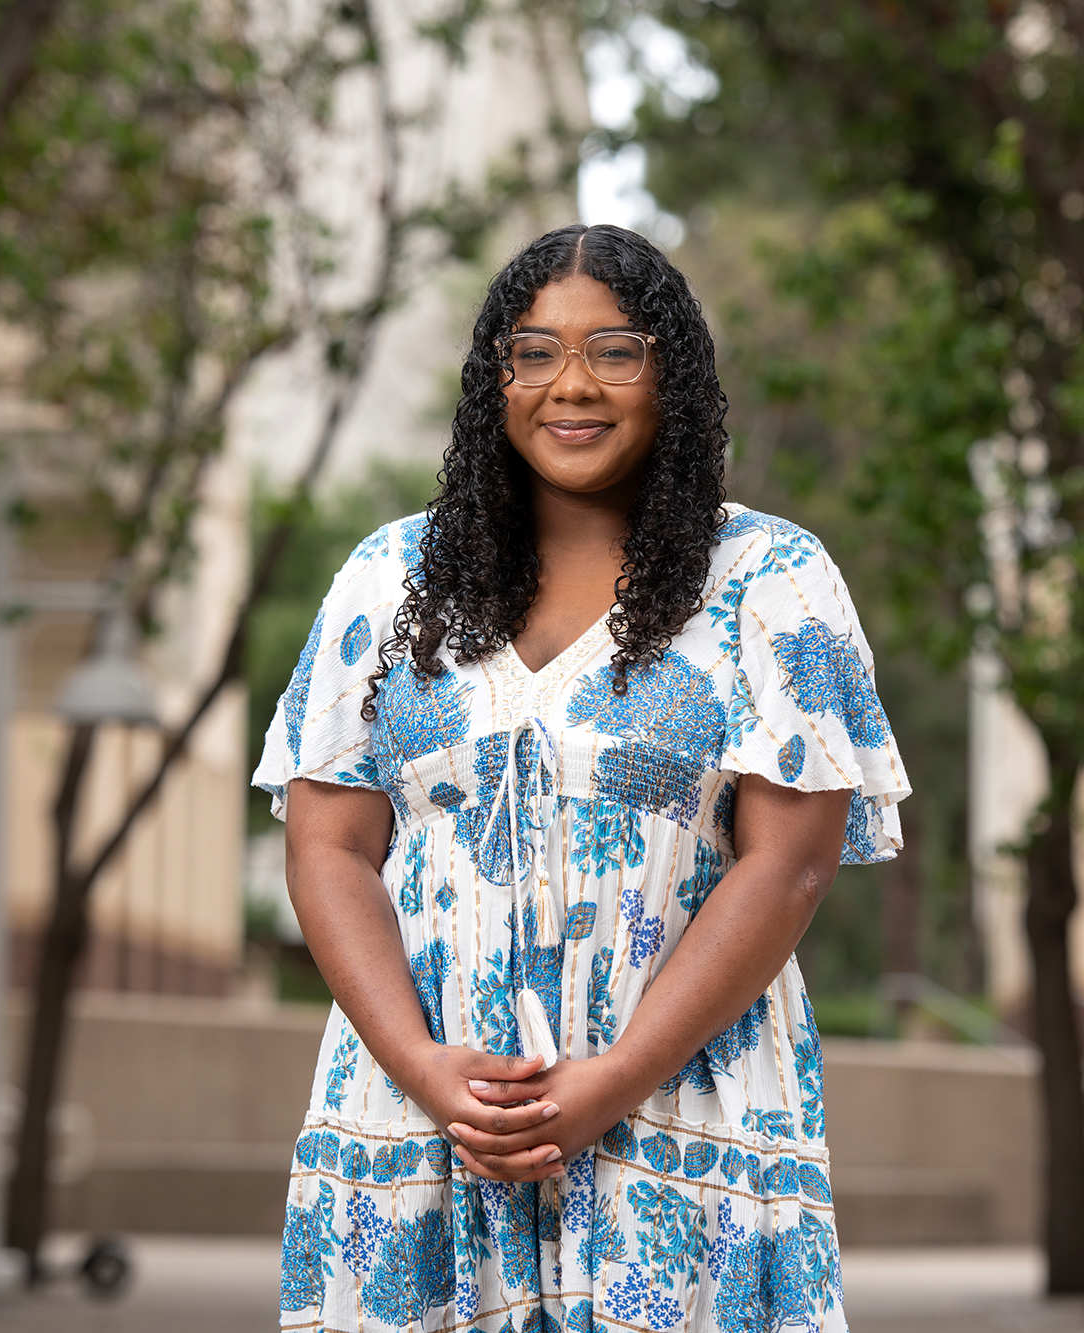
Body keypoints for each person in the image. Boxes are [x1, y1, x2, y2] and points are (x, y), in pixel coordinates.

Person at [253, 223, 909, 1333]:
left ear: (673, 379)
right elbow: (327, 846)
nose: (572, 385)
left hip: (677, 1115)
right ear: (492, 381)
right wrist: (422, 1067)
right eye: (533, 352)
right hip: (422, 1120)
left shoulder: (767, 580)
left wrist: (612, 1079)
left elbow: (789, 865)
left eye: (614, 350)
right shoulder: (386, 579)